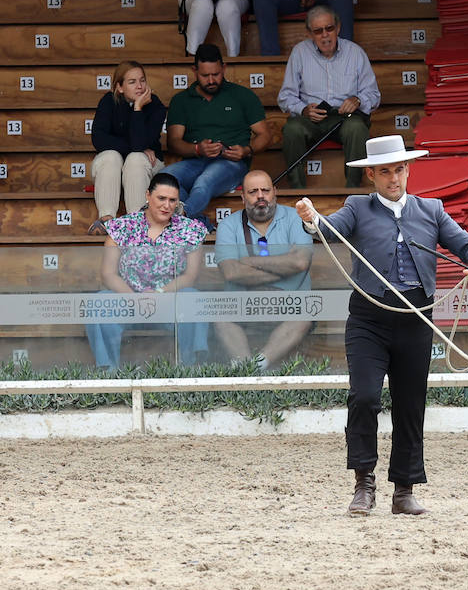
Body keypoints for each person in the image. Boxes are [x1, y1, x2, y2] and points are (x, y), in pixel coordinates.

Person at [295, 135, 468, 517]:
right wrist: (312, 219)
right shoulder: (357, 207)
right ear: (371, 174)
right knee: (364, 396)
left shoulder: (431, 209)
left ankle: (404, 489)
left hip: (416, 318)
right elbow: (328, 229)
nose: (393, 178)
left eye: (399, 169)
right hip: (369, 318)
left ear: (408, 170)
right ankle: (363, 484)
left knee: (410, 403)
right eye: (384, 171)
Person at [86, 171, 210, 369]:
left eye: (173, 200)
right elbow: (108, 274)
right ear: (147, 195)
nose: (167, 205)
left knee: (193, 298)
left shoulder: (190, 229)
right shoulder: (123, 226)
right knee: (99, 302)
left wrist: (159, 294)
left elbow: (190, 276)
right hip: (128, 301)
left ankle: (190, 371)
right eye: (161, 198)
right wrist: (137, 298)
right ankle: (108, 374)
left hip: (169, 301)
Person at [213, 170, 315, 370]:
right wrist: (284, 268)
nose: (260, 196)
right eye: (253, 191)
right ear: (243, 197)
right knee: (221, 318)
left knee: (303, 318)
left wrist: (249, 261)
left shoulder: (295, 219)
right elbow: (231, 272)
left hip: (289, 303)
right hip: (242, 304)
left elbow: (300, 262)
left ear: (274, 192)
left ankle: (257, 367)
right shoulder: (228, 225)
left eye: (265, 190)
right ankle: (245, 369)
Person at [162, 44, 270, 224]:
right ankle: (197, 222)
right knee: (165, 179)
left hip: (231, 162)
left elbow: (265, 135)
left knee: (204, 182)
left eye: (216, 74)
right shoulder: (181, 100)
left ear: (224, 68)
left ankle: (180, 220)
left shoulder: (242, 96)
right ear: (194, 71)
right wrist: (197, 149)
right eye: (205, 75)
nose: (211, 80)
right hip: (194, 161)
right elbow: (173, 142)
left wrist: (246, 150)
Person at [278, 5, 379, 189]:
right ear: (309, 33)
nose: (325, 35)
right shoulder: (300, 53)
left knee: (357, 128)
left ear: (338, 28)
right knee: (292, 129)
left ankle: (353, 191)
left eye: (329, 28)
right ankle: (297, 192)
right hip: (312, 117)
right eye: (318, 31)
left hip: (345, 118)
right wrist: (303, 109)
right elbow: (285, 96)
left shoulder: (355, 53)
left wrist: (358, 100)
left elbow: (373, 94)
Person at [89, 60, 167, 234]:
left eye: (142, 80)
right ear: (120, 87)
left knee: (136, 159)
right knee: (111, 156)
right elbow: (99, 140)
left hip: (146, 166)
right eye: (132, 82)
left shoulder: (155, 106)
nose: (139, 86)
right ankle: (106, 220)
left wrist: (138, 109)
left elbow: (139, 145)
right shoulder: (108, 102)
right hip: (111, 167)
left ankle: (137, 223)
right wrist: (132, 148)